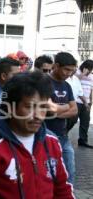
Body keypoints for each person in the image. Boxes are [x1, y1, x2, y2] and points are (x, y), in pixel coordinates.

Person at [0, 71, 74, 199]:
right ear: (10, 107)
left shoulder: (51, 141)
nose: (38, 115)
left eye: (43, 107)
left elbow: (63, 189)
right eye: (29, 106)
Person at [45, 52, 78, 184]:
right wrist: (65, 108)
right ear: (56, 66)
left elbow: (74, 110)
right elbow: (49, 108)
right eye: (66, 69)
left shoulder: (67, 85)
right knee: (47, 173)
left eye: (71, 70)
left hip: (63, 136)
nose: (69, 74)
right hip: (45, 136)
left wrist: (56, 113)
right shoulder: (43, 81)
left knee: (69, 172)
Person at [75, 60, 93, 148]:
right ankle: (63, 137)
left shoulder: (91, 76)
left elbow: (91, 90)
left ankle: (82, 140)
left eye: (91, 69)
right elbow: (74, 81)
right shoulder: (77, 72)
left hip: (87, 103)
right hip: (76, 101)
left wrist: (91, 102)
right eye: (89, 68)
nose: (90, 70)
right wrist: (83, 74)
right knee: (72, 120)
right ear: (84, 66)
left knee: (85, 122)